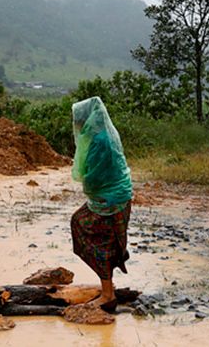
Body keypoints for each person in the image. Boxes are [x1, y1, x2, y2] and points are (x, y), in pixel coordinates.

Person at [70, 97, 133, 311]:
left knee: (86, 230)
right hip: (117, 196)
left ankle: (107, 294)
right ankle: (108, 287)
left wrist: (91, 186)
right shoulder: (103, 134)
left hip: (110, 199)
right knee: (105, 239)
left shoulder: (99, 140)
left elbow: (95, 175)